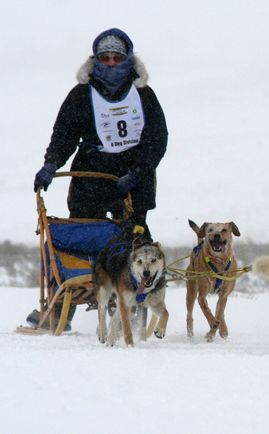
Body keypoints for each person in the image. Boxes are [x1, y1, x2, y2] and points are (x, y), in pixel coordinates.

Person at [27, 28, 168, 330]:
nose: (112, 63)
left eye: (118, 57)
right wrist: (51, 164)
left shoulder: (143, 93)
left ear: (128, 58)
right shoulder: (81, 94)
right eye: (105, 57)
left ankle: (137, 307)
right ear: (96, 59)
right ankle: (60, 310)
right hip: (90, 174)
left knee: (136, 243)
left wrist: (138, 172)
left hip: (134, 179)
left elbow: (157, 138)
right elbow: (64, 134)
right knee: (79, 239)